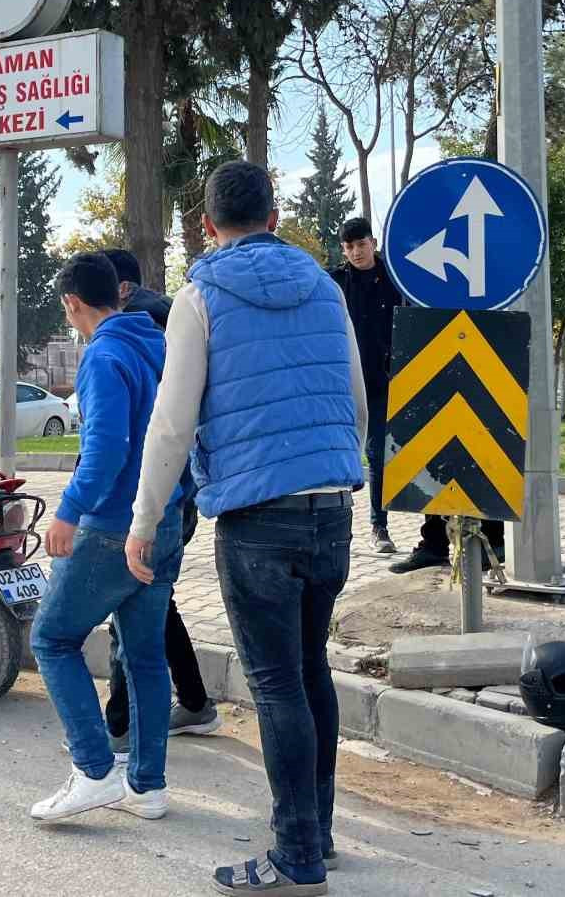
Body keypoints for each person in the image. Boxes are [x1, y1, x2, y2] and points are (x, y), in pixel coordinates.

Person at [128, 161, 369, 896]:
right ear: (273, 215)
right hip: (333, 508)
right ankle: (317, 834)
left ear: (207, 226)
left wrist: (145, 520)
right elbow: (356, 398)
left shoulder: (199, 298)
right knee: (310, 671)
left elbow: (172, 424)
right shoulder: (327, 288)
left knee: (276, 686)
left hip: (258, 519)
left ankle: (295, 857)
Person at [29, 253, 188, 824]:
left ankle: (94, 770)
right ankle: (147, 787)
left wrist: (67, 514)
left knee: (51, 639)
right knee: (146, 656)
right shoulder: (160, 347)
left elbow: (105, 452)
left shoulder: (103, 356)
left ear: (73, 304)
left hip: (111, 527)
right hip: (163, 518)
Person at [98, 247, 221, 751]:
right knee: (154, 599)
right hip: (181, 485)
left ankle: (120, 726)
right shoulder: (172, 316)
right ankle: (194, 703)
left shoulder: (133, 327)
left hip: (151, 490)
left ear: (120, 289)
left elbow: (140, 426)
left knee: (128, 606)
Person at [329, 218, 404, 556]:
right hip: (342, 383)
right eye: (349, 247)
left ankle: (380, 526)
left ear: (372, 243)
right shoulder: (335, 283)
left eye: (361, 244)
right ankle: (336, 526)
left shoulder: (396, 279)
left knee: (376, 455)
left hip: (382, 381)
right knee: (337, 455)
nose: (356, 252)